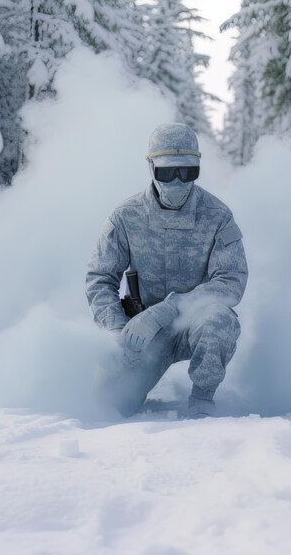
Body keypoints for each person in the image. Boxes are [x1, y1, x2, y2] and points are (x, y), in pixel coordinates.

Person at [85, 123, 248, 418]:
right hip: (144, 333)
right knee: (106, 405)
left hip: (194, 323)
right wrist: (115, 328)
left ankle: (202, 401)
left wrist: (166, 310)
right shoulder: (125, 217)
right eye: (167, 172)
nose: (177, 182)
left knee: (219, 319)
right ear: (151, 167)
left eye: (187, 173)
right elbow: (100, 278)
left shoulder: (218, 216)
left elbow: (231, 281)